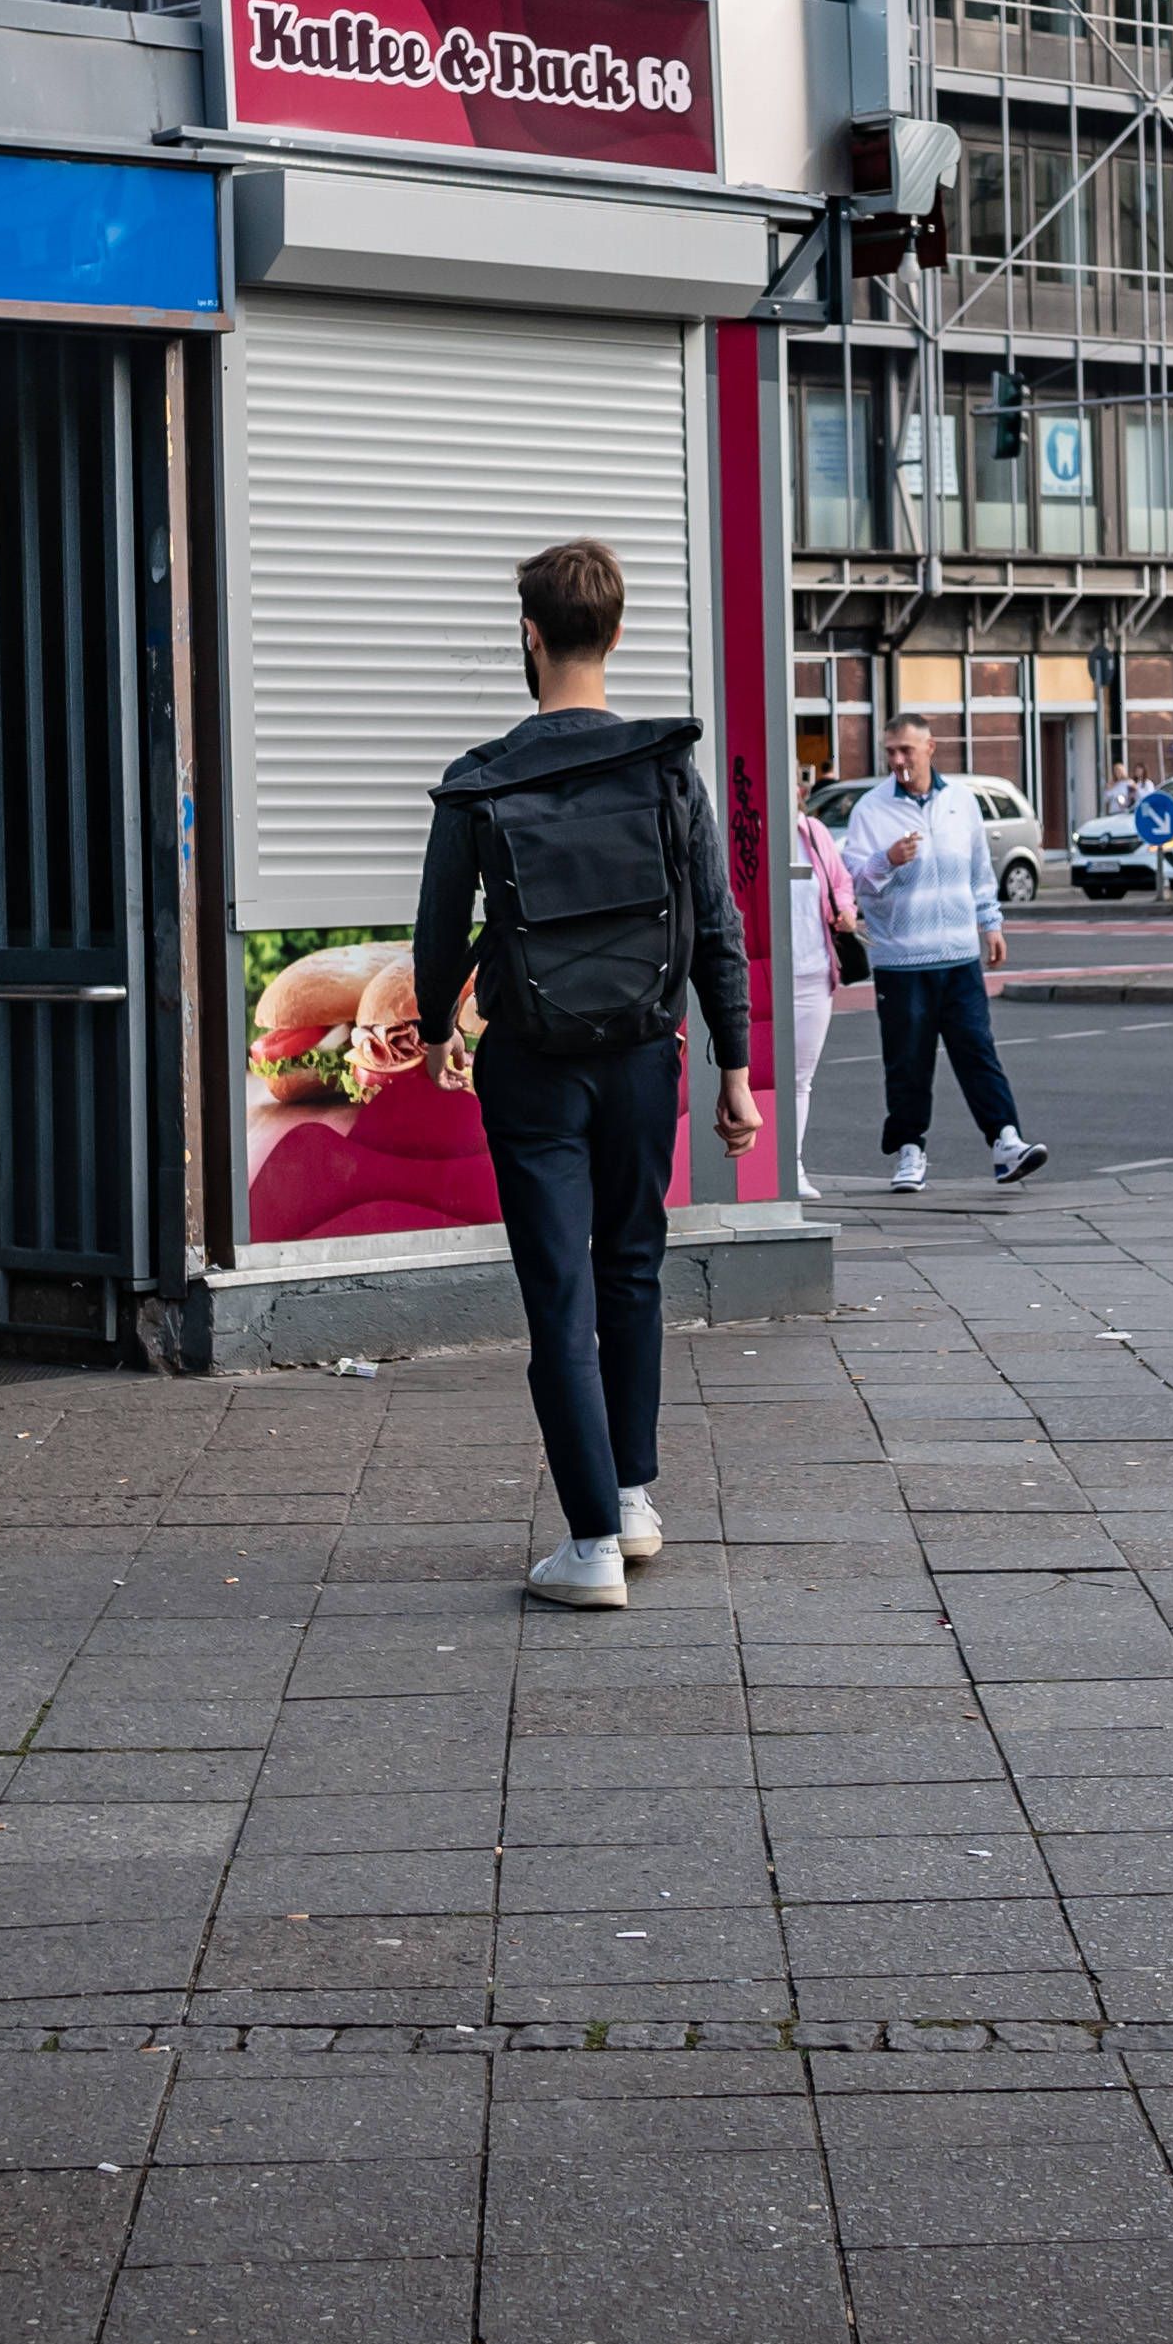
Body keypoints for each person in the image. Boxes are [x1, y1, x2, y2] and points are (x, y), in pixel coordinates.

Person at [413, 538, 761, 1611]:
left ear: (529, 635)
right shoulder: (663, 766)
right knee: (632, 1270)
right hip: (643, 1060)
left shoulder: (479, 781)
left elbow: (438, 931)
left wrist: (436, 1028)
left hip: (531, 1067)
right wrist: (735, 1068)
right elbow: (714, 922)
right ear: (613, 635)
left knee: (560, 1295)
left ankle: (589, 1544)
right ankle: (633, 1495)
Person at [845, 710, 1050, 1196]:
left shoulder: (961, 802)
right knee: (908, 1060)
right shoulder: (871, 810)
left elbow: (980, 870)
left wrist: (991, 923)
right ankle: (910, 1151)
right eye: (890, 750)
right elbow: (853, 881)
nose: (897, 759)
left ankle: (1005, 1141)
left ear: (930, 749)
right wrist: (885, 860)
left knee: (977, 1048)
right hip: (901, 957)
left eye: (906, 750)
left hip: (959, 955)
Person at [781, 801, 860, 1201]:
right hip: (763, 974)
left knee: (799, 1078)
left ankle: (791, 1165)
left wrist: (845, 910)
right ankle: (756, 1166)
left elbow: (840, 882)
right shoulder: (749, 832)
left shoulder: (812, 832)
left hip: (813, 971)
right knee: (755, 1075)